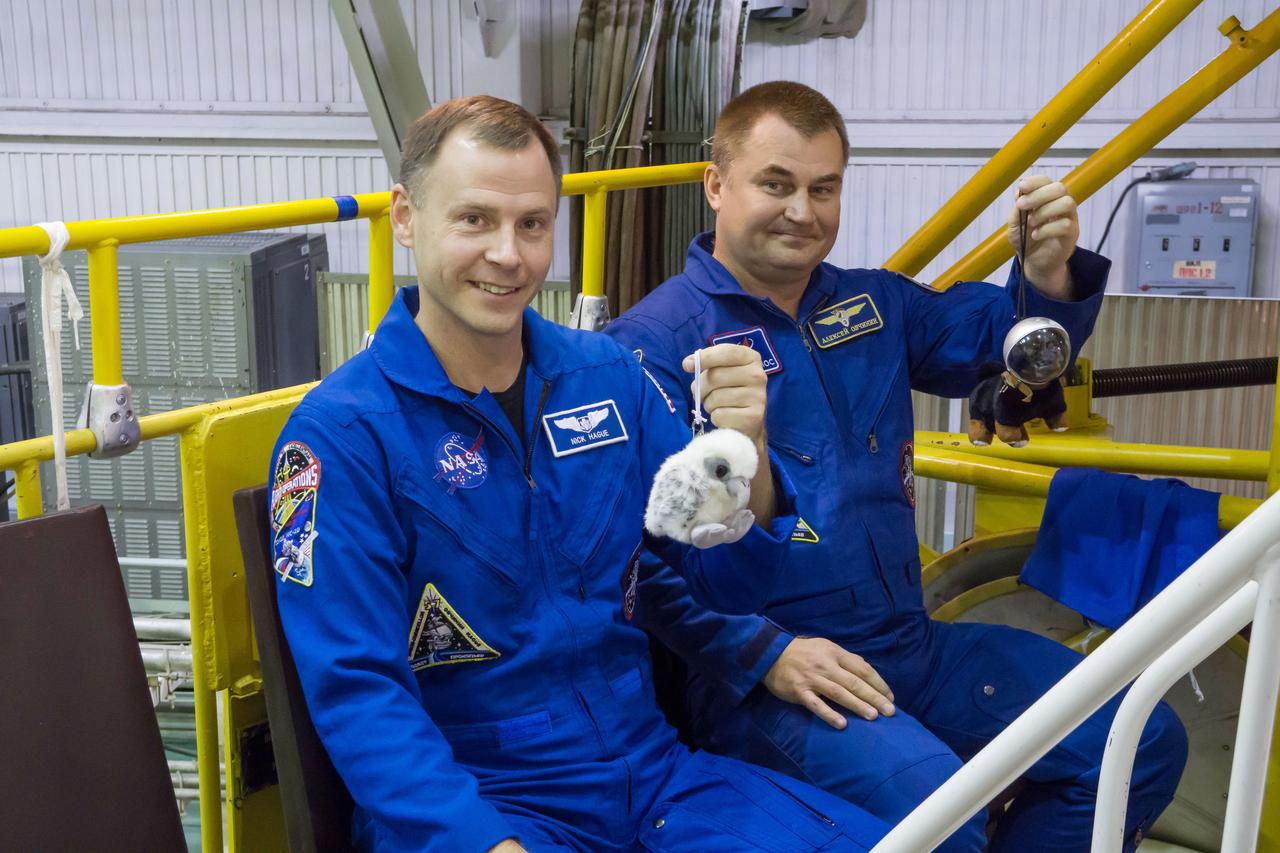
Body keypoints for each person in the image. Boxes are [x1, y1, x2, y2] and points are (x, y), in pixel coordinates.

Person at [268, 94, 892, 853]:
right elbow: (360, 692)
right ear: (406, 216)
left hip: (651, 775)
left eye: (532, 224)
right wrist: (480, 840)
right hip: (486, 804)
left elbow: (723, 582)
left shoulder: (609, 380)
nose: (508, 255)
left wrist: (744, 453)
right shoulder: (344, 436)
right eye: (475, 220)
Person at [605, 80, 1188, 852]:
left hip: (907, 644)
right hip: (774, 676)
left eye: (823, 188)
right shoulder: (649, 347)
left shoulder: (874, 307)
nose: (802, 211)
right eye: (776, 184)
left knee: (1142, 740)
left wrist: (1046, 275)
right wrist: (759, 651)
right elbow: (633, 562)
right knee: (945, 820)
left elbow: (999, 339)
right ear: (716, 186)